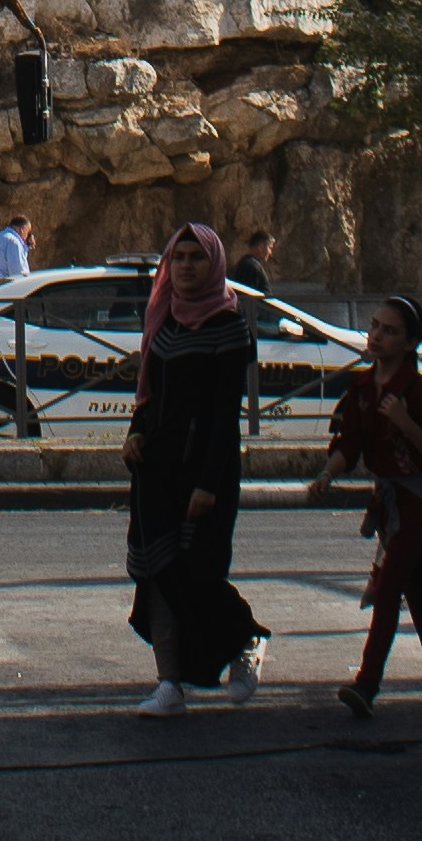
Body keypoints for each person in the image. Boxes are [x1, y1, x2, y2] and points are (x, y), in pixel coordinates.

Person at [125, 220, 266, 712]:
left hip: (204, 473)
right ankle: (169, 684)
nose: (185, 267)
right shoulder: (163, 317)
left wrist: (208, 483)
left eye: (196, 258)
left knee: (197, 574)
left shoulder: (229, 327)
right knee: (158, 573)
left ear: (215, 263)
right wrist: (135, 433)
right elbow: (150, 394)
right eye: (178, 258)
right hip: (157, 470)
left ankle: (246, 639)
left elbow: (224, 415)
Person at [314, 292, 422, 716]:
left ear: (408, 343)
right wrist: (327, 474)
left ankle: (367, 684)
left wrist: (404, 421)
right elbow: (349, 443)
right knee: (415, 588)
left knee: (389, 588)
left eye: (389, 331)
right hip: (389, 502)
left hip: (419, 500)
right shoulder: (361, 387)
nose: (376, 336)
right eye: (374, 327)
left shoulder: (418, 391)